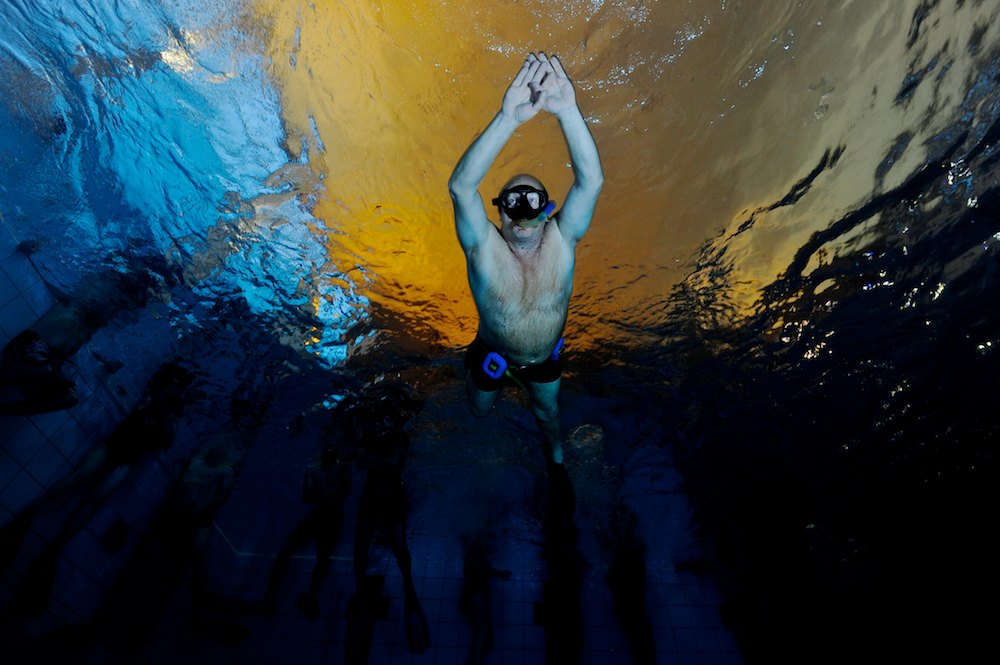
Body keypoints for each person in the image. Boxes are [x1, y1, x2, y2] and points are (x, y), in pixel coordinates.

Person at [448, 52, 603, 465]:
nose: (521, 210)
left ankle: (555, 457)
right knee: (479, 411)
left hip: (544, 358)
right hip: (493, 353)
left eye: (531, 199)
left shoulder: (562, 239)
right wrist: (508, 119)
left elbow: (591, 181)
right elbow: (462, 188)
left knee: (549, 414)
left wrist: (568, 111)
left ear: (546, 208)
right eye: (511, 201)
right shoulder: (484, 248)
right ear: (498, 211)